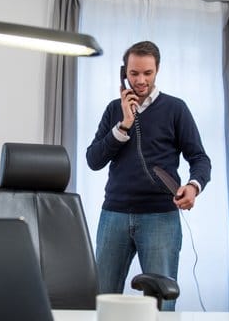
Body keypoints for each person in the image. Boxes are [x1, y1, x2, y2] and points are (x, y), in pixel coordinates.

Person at [86, 41, 211, 311]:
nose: (141, 80)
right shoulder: (113, 110)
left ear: (157, 71)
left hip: (160, 218)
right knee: (101, 301)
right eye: (134, 74)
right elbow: (93, 160)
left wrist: (193, 186)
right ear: (124, 73)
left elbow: (200, 159)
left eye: (147, 73)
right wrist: (124, 125)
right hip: (114, 215)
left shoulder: (176, 109)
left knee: (160, 305)